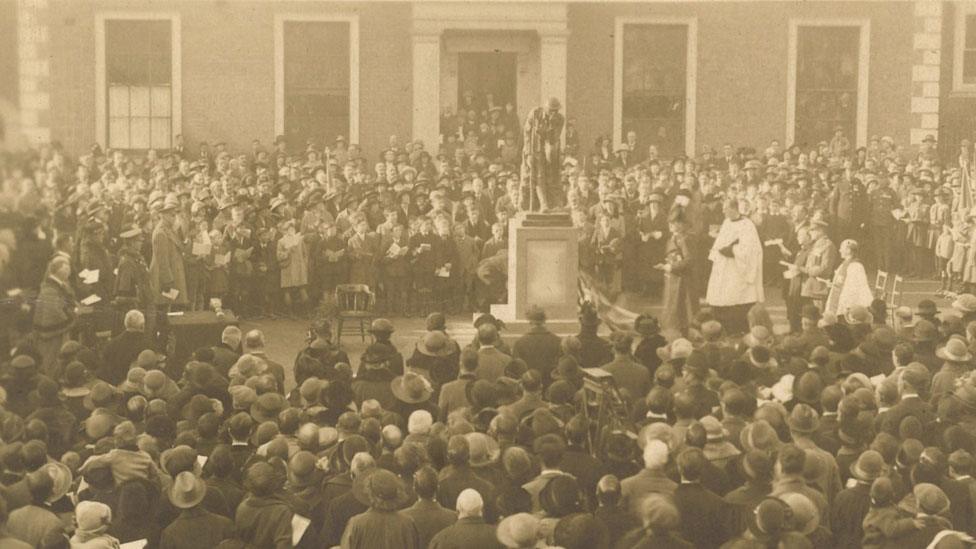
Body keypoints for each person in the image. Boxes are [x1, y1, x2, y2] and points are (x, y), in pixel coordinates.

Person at [705, 198, 764, 335]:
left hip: (738, 268)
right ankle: (723, 328)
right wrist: (718, 250)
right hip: (723, 266)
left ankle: (738, 330)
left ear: (733, 209)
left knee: (737, 299)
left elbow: (751, 249)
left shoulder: (747, 225)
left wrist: (732, 250)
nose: (723, 211)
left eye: (725, 208)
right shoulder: (726, 222)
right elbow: (720, 242)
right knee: (721, 297)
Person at [659, 213, 696, 335]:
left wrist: (671, 266)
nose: (670, 225)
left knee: (682, 309)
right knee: (672, 307)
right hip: (672, 279)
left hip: (682, 279)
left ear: (681, 225)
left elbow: (689, 260)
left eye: (674, 223)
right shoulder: (672, 238)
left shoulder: (684, 239)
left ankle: (684, 334)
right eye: (670, 222)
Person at [825, 239, 874, 317]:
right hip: (836, 300)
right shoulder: (843, 264)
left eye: (841, 248)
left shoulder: (856, 266)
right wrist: (832, 284)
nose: (839, 250)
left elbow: (854, 289)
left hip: (846, 304)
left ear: (848, 250)